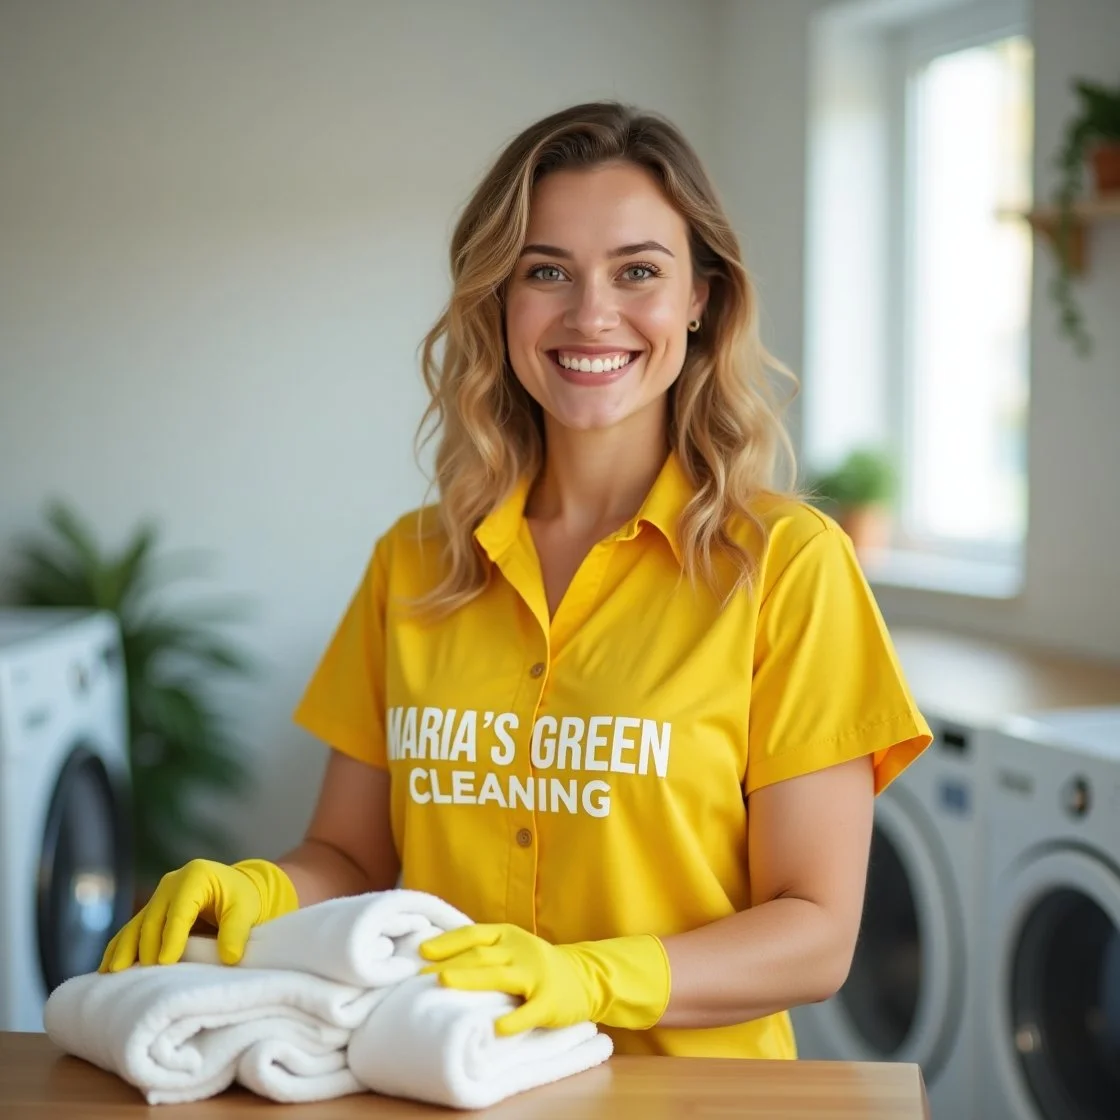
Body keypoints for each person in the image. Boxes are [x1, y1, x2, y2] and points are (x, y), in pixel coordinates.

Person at [100, 100, 932, 1060]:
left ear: (700, 297)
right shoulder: (411, 563)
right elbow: (353, 856)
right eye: (547, 272)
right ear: (499, 298)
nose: (591, 314)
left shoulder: (789, 566)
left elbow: (816, 933)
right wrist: (260, 889)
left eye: (638, 272)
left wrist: (587, 978)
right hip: (441, 1078)